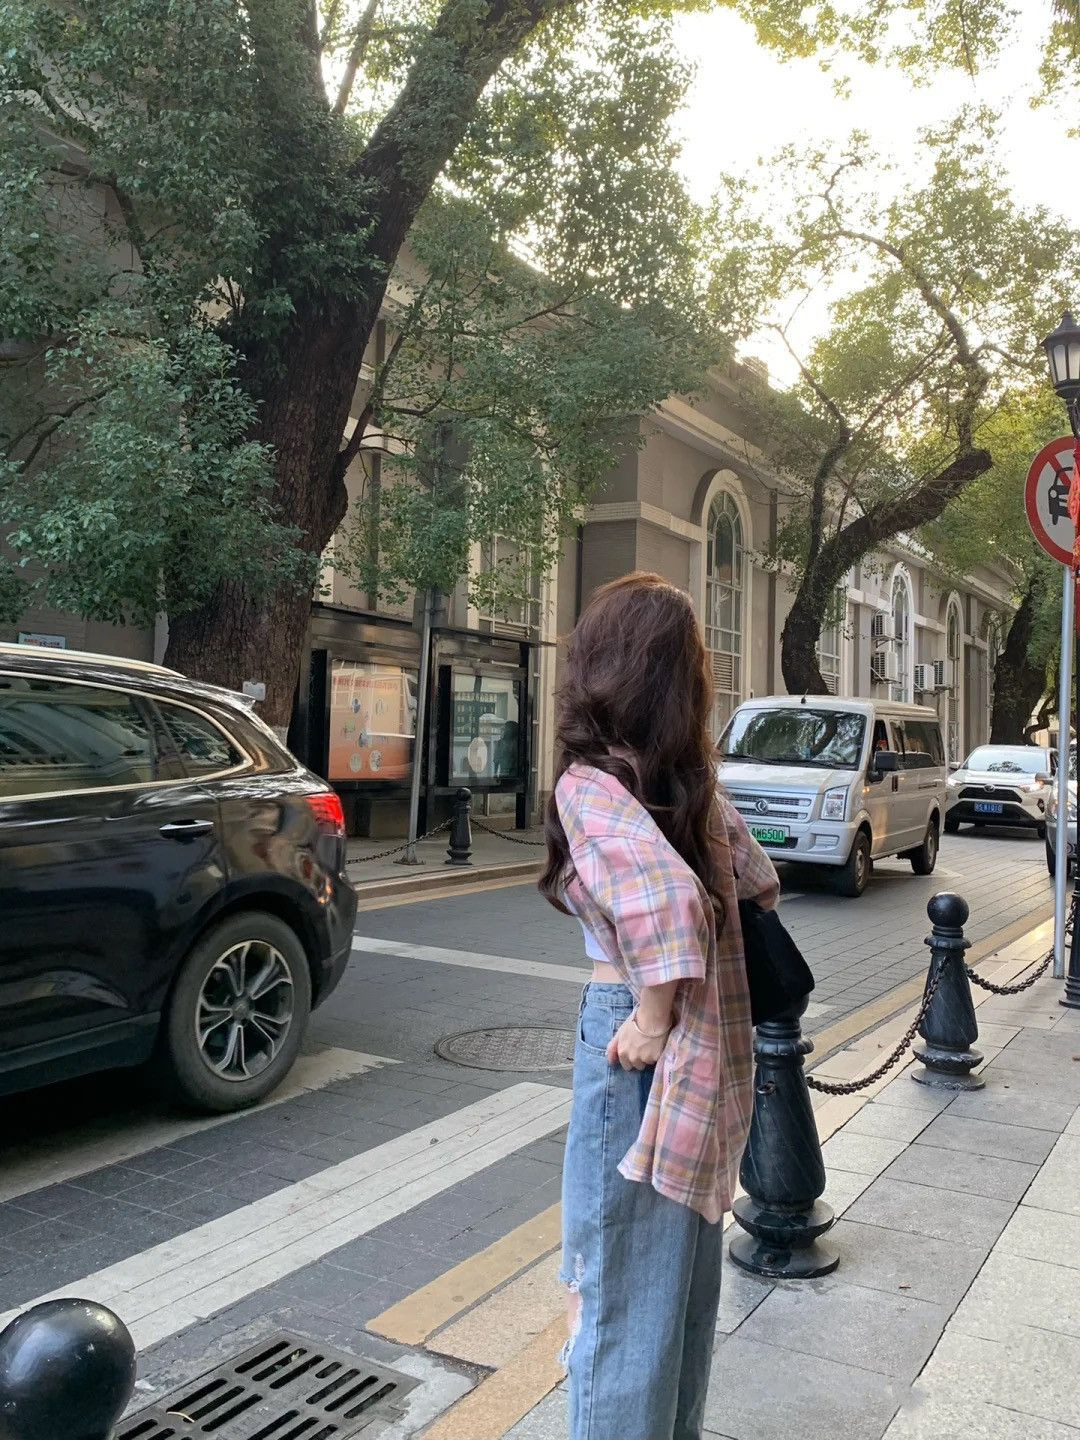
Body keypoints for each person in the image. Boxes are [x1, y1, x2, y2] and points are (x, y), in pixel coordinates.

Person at [539, 572, 779, 1440]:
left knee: (614, 1297)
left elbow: (669, 907)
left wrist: (649, 1018)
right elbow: (758, 882)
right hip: (710, 1056)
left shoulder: (590, 785)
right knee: (673, 1296)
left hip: (637, 1042)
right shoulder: (690, 785)